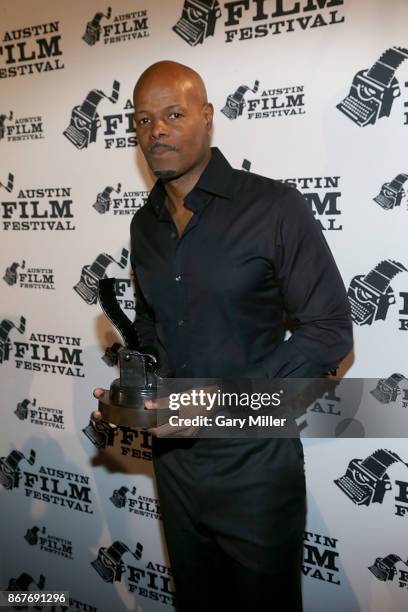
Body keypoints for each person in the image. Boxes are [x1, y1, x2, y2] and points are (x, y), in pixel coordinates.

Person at [92, 60, 353, 611]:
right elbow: (151, 328)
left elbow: (330, 332)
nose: (155, 130)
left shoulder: (273, 207)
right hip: (175, 466)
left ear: (207, 119)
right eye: (142, 120)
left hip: (255, 466)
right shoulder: (145, 225)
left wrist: (219, 406)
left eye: (173, 114)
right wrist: (132, 398)